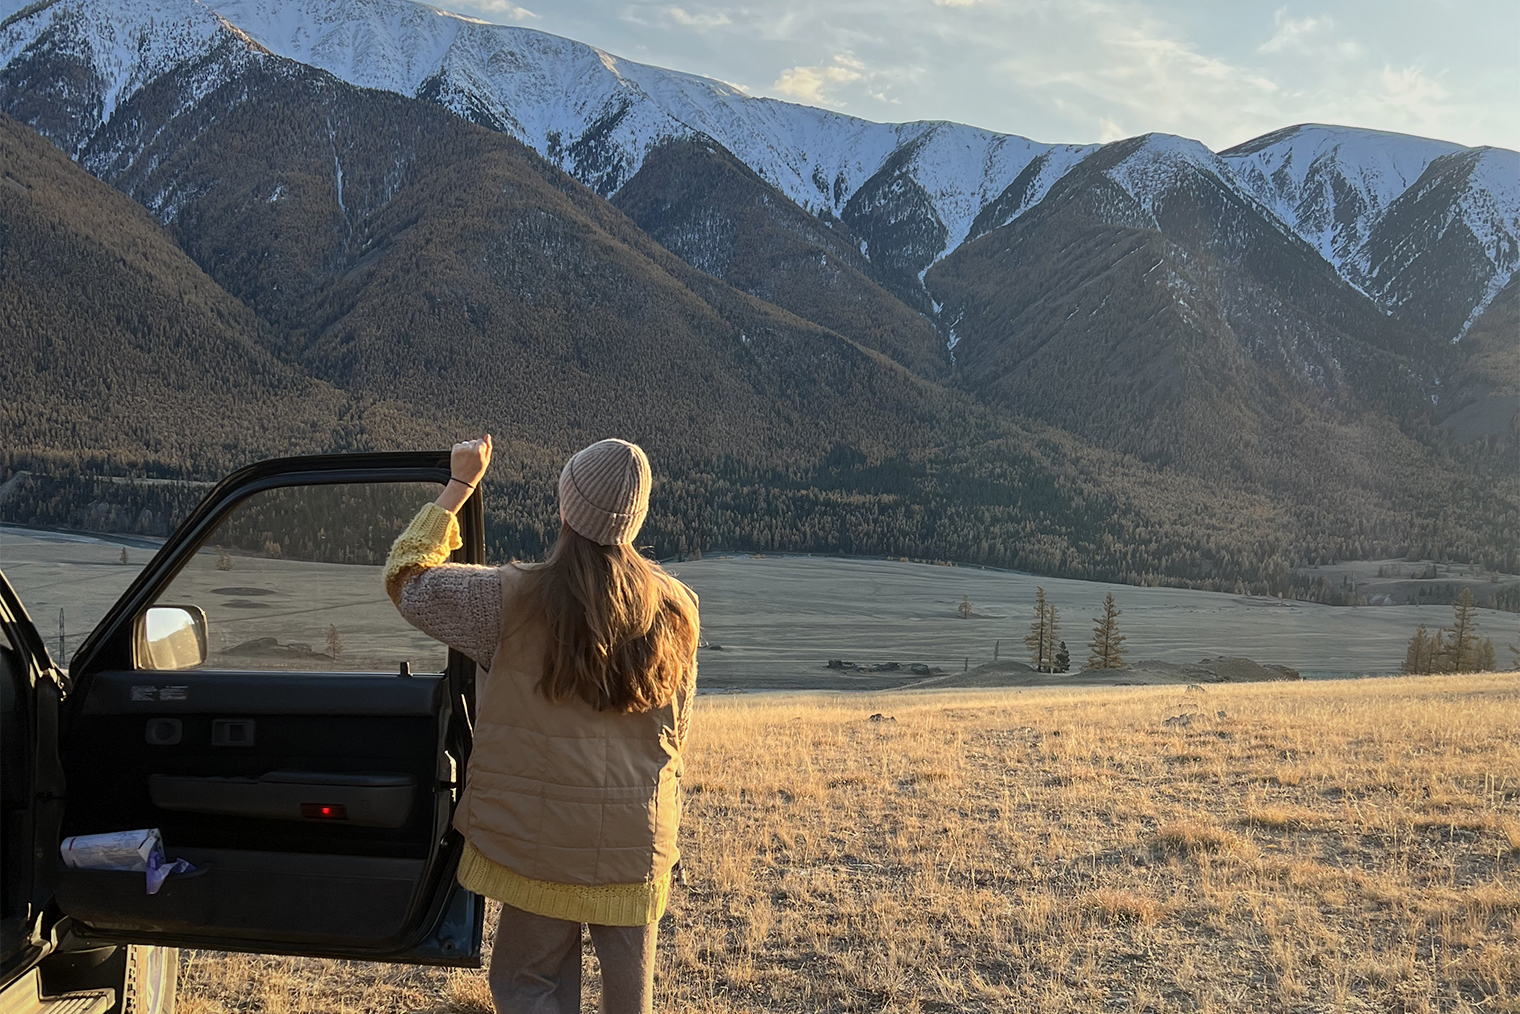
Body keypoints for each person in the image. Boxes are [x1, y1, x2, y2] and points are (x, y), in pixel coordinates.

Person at [383, 435, 699, 1014]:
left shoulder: (509, 598)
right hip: (635, 840)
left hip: (541, 840)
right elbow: (675, 729)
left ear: (564, 509)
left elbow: (408, 580)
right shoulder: (678, 607)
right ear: (636, 519)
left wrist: (460, 486)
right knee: (631, 1001)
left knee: (528, 982)